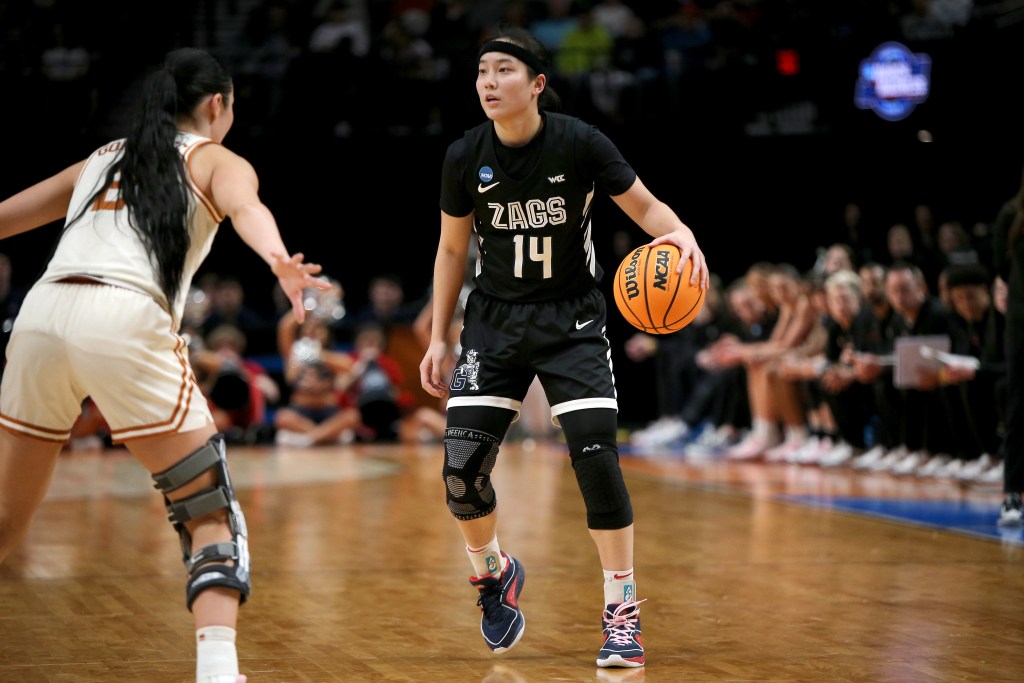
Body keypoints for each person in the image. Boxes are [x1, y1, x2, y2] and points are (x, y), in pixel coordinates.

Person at [0, 47, 329, 683]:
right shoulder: (214, 158)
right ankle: (218, 672)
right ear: (217, 104)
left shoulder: (102, 157)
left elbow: (6, 216)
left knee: (7, 520)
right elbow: (247, 208)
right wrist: (279, 260)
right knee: (208, 510)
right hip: (121, 315)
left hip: (41, 313)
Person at [418, 27, 708, 669]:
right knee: (462, 472)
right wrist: (439, 337)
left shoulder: (579, 142)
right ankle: (493, 575)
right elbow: (451, 250)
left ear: (537, 84)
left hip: (571, 321)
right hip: (493, 325)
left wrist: (683, 235)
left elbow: (647, 208)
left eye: (503, 70)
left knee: (596, 459)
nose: (488, 82)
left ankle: (621, 612)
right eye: (482, 72)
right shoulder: (465, 156)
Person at [992, 162, 1024, 525]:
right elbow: (1000, 267)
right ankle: (1012, 492)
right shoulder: (1011, 214)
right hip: (1021, 323)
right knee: (1018, 408)